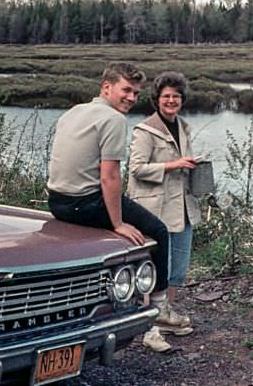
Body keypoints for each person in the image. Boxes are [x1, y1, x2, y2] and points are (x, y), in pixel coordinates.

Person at [45, 62, 174, 352]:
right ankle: (159, 307)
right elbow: (110, 176)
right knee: (158, 230)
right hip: (84, 204)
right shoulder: (114, 119)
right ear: (107, 87)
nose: (131, 97)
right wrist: (117, 223)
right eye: (126, 90)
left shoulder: (74, 112)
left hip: (57, 203)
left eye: (136, 93)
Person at [127, 71, 201, 351]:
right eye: (166, 96)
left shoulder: (183, 127)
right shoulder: (144, 130)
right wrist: (174, 165)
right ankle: (150, 330)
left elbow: (183, 165)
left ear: (182, 100)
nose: (171, 101)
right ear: (156, 100)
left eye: (176, 96)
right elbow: (136, 169)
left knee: (177, 269)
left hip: (182, 207)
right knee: (157, 267)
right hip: (156, 209)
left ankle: (166, 319)